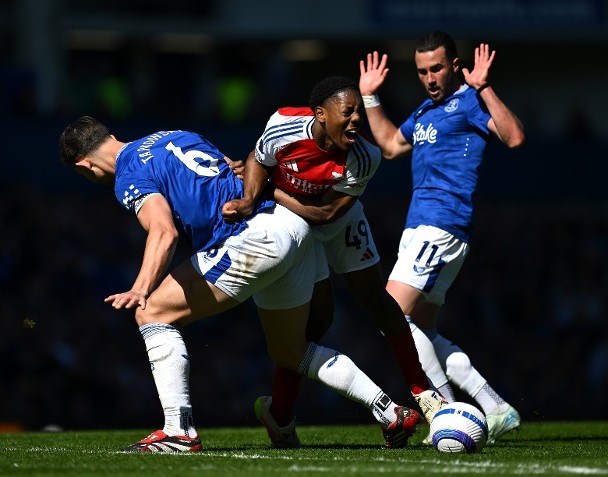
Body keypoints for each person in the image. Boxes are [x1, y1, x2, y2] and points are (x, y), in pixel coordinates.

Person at [58, 116, 421, 452]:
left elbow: (164, 231)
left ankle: (178, 431)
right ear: (110, 135)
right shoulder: (174, 134)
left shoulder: (128, 174)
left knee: (151, 314)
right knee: (292, 353)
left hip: (249, 237)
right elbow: (233, 167)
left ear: (84, 166)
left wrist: (141, 288)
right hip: (290, 223)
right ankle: (389, 411)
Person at [222, 76, 447, 448]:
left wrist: (271, 190)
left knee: (377, 300)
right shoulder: (283, 124)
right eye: (348, 111)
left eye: (359, 111)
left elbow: (326, 213)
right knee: (318, 319)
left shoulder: (365, 156)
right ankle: (280, 414)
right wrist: (248, 200)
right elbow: (257, 159)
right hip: (293, 224)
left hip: (336, 220)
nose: (357, 118)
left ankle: (422, 391)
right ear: (321, 115)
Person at [358, 31, 525, 443]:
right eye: (422, 72)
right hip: (423, 227)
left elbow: (514, 137)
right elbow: (391, 146)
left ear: (454, 66)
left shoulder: (470, 101)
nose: (430, 78)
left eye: (436, 69)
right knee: (423, 332)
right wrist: (370, 97)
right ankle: (495, 407)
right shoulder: (424, 111)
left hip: (442, 224)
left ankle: (446, 410)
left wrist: (484, 87)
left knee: (390, 313)